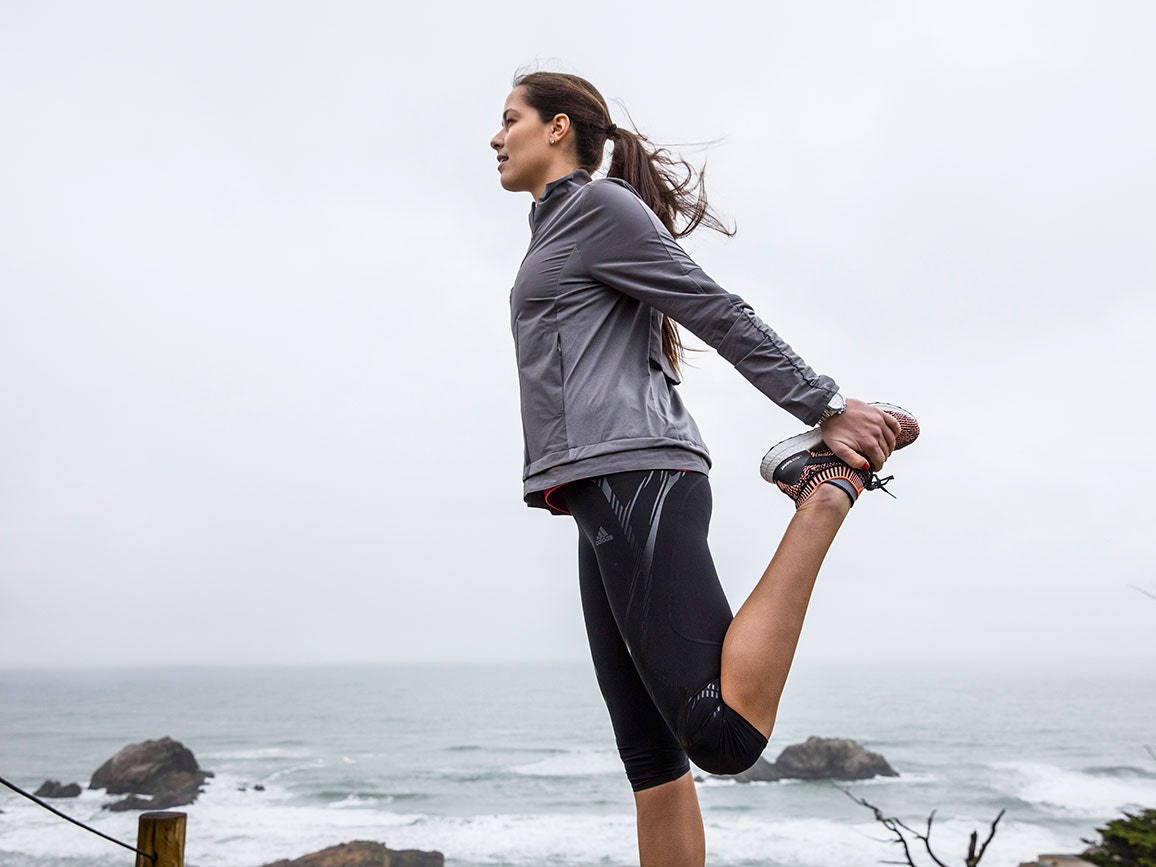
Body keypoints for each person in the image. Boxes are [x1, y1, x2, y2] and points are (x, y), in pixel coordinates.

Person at [489, 70, 919, 867]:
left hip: (637, 474)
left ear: (557, 128)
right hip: (596, 490)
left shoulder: (596, 208)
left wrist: (823, 405)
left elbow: (713, 306)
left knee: (722, 735)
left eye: (508, 118)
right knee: (651, 764)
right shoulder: (552, 229)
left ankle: (824, 488)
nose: (494, 136)